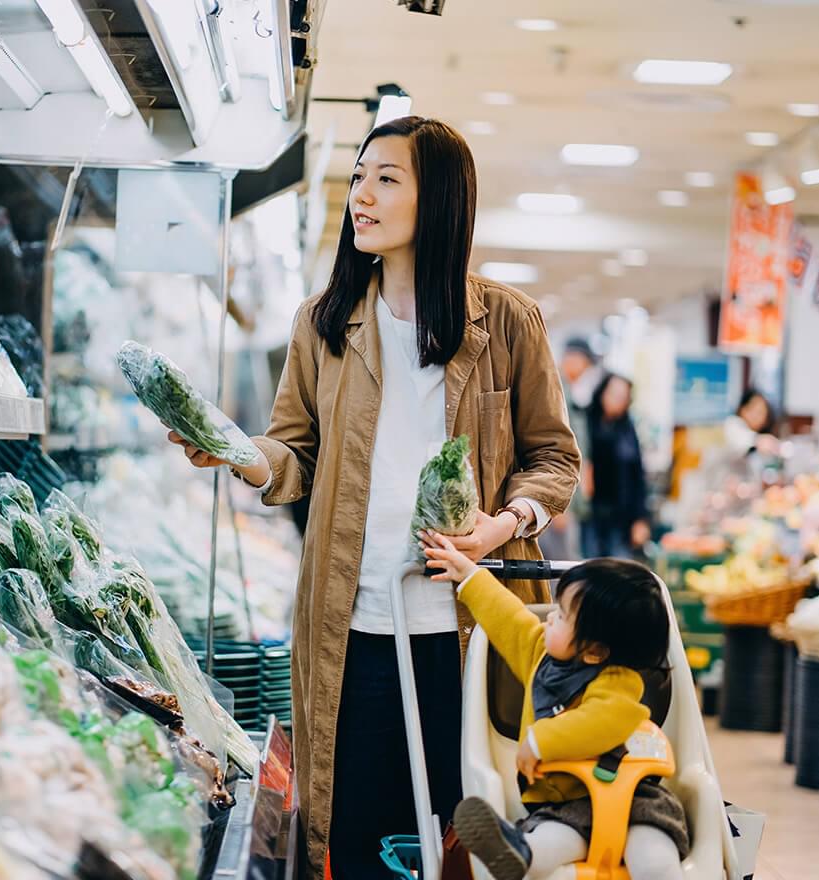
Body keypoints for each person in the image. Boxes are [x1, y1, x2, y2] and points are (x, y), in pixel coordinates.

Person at [167, 116, 581, 878]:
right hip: (352, 627)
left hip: (472, 629)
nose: (362, 195)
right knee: (359, 834)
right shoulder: (323, 325)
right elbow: (292, 454)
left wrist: (503, 524)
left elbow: (554, 457)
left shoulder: (507, 323)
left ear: (442, 198)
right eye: (359, 177)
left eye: (386, 178)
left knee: (472, 828)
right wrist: (238, 454)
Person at [422, 535, 689, 880]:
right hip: (563, 807)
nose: (548, 618)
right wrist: (470, 575)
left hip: (633, 801)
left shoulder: (619, 682)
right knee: (548, 844)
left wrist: (540, 741)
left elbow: (601, 722)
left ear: (594, 651)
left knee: (654, 857)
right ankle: (516, 852)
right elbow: (508, 619)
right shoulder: (540, 654)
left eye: (561, 616)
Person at [537, 338, 600, 561]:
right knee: (559, 565)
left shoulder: (569, 391)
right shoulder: (556, 389)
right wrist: (557, 505)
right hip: (559, 501)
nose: (587, 370)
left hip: (567, 499)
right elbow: (554, 448)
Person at [584, 373, 650, 559]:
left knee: (618, 568)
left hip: (620, 517)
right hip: (588, 514)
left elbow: (637, 476)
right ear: (602, 392)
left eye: (623, 397)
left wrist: (641, 519)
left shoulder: (627, 429)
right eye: (614, 394)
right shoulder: (585, 422)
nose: (617, 400)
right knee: (587, 568)